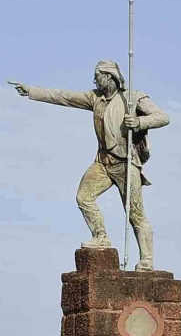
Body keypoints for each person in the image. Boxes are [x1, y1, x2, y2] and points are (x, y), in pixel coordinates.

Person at [11, 61, 170, 270]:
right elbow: (64, 97)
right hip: (103, 163)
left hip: (126, 164)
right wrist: (32, 91)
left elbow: (163, 117)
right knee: (83, 197)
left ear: (110, 76)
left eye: (98, 76)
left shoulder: (132, 97)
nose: (95, 80)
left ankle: (147, 260)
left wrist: (140, 123)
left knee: (135, 214)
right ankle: (100, 236)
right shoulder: (95, 98)